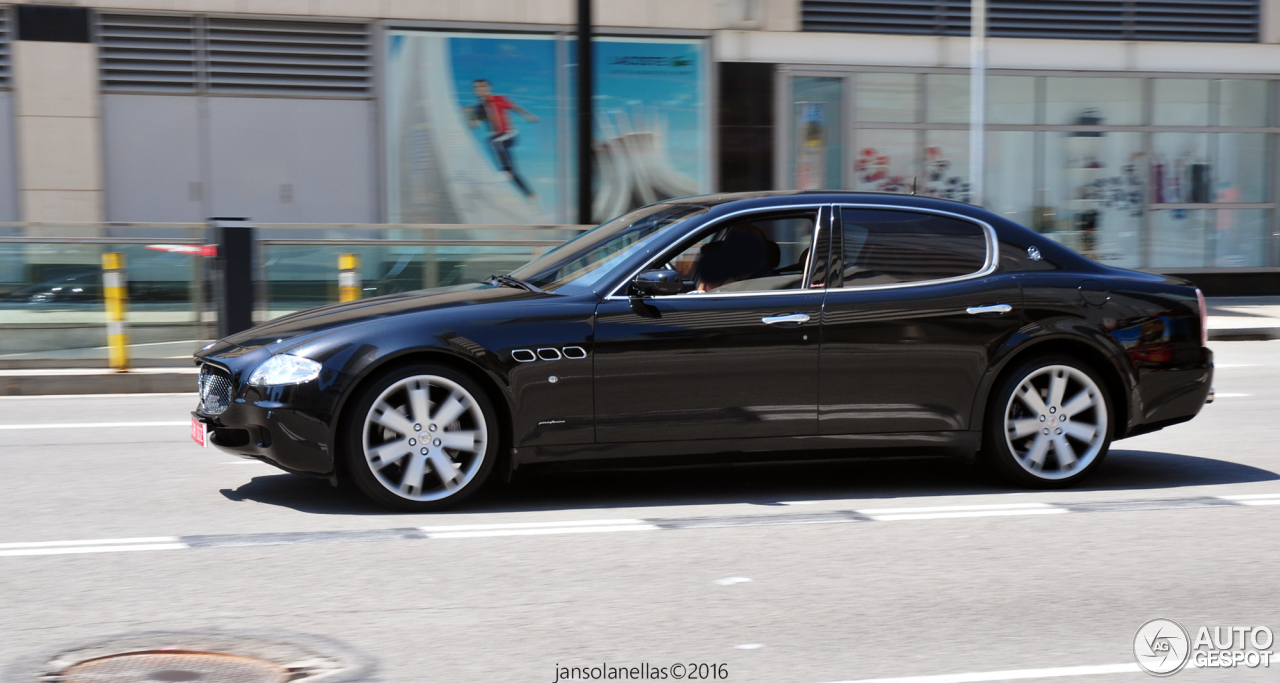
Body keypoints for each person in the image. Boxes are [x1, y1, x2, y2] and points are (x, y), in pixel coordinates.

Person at [466, 79, 539, 199]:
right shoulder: (478, 108)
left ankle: (504, 172)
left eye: (482, 87)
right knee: (512, 172)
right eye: (476, 88)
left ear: (488, 88)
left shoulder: (499, 99)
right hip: (498, 139)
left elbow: (515, 107)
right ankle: (530, 195)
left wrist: (528, 115)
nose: (479, 90)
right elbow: (473, 125)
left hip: (510, 134)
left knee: (494, 142)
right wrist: (470, 116)